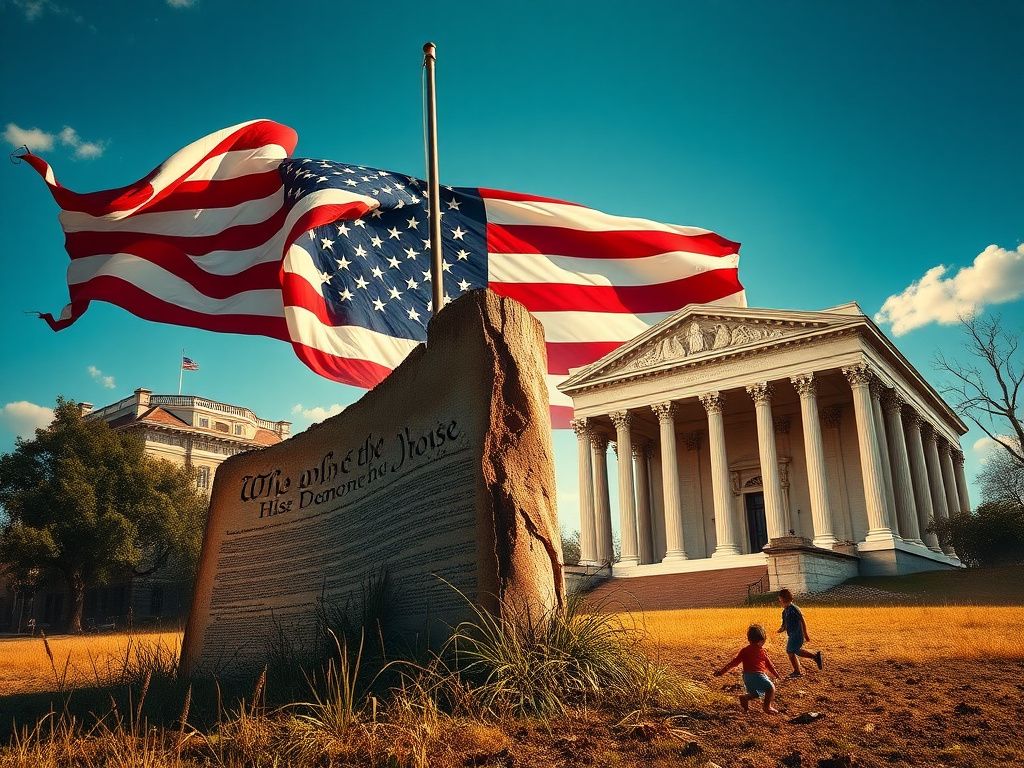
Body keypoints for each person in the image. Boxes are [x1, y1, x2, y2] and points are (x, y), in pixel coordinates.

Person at [713, 623, 781, 713]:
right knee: (770, 688)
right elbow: (769, 665)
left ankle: (745, 700)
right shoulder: (762, 651)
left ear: (749, 639)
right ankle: (767, 707)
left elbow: (734, 662)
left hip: (747, 677)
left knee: (757, 693)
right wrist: (776, 674)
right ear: (762, 640)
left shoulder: (744, 650)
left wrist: (721, 672)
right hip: (758, 676)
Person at [777, 588, 823, 677]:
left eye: (780, 600)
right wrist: (780, 630)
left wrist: (805, 634)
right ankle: (813, 658)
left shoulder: (794, 609)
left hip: (797, 634)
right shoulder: (784, 612)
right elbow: (784, 625)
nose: (780, 603)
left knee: (791, 651)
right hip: (792, 635)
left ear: (785, 599)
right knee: (793, 651)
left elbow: (802, 621)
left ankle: (798, 670)